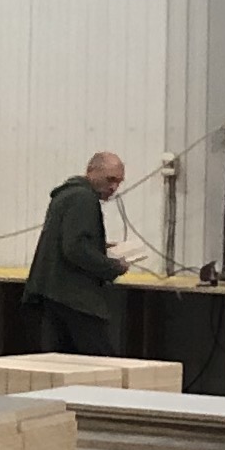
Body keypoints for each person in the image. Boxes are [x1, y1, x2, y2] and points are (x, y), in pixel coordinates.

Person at [25, 152, 133, 358]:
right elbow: (75, 248)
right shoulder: (83, 198)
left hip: (53, 294)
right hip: (74, 297)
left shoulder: (66, 195)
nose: (114, 187)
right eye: (110, 179)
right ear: (91, 171)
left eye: (119, 182)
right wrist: (112, 266)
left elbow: (65, 239)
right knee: (102, 364)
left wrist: (98, 246)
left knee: (63, 362)